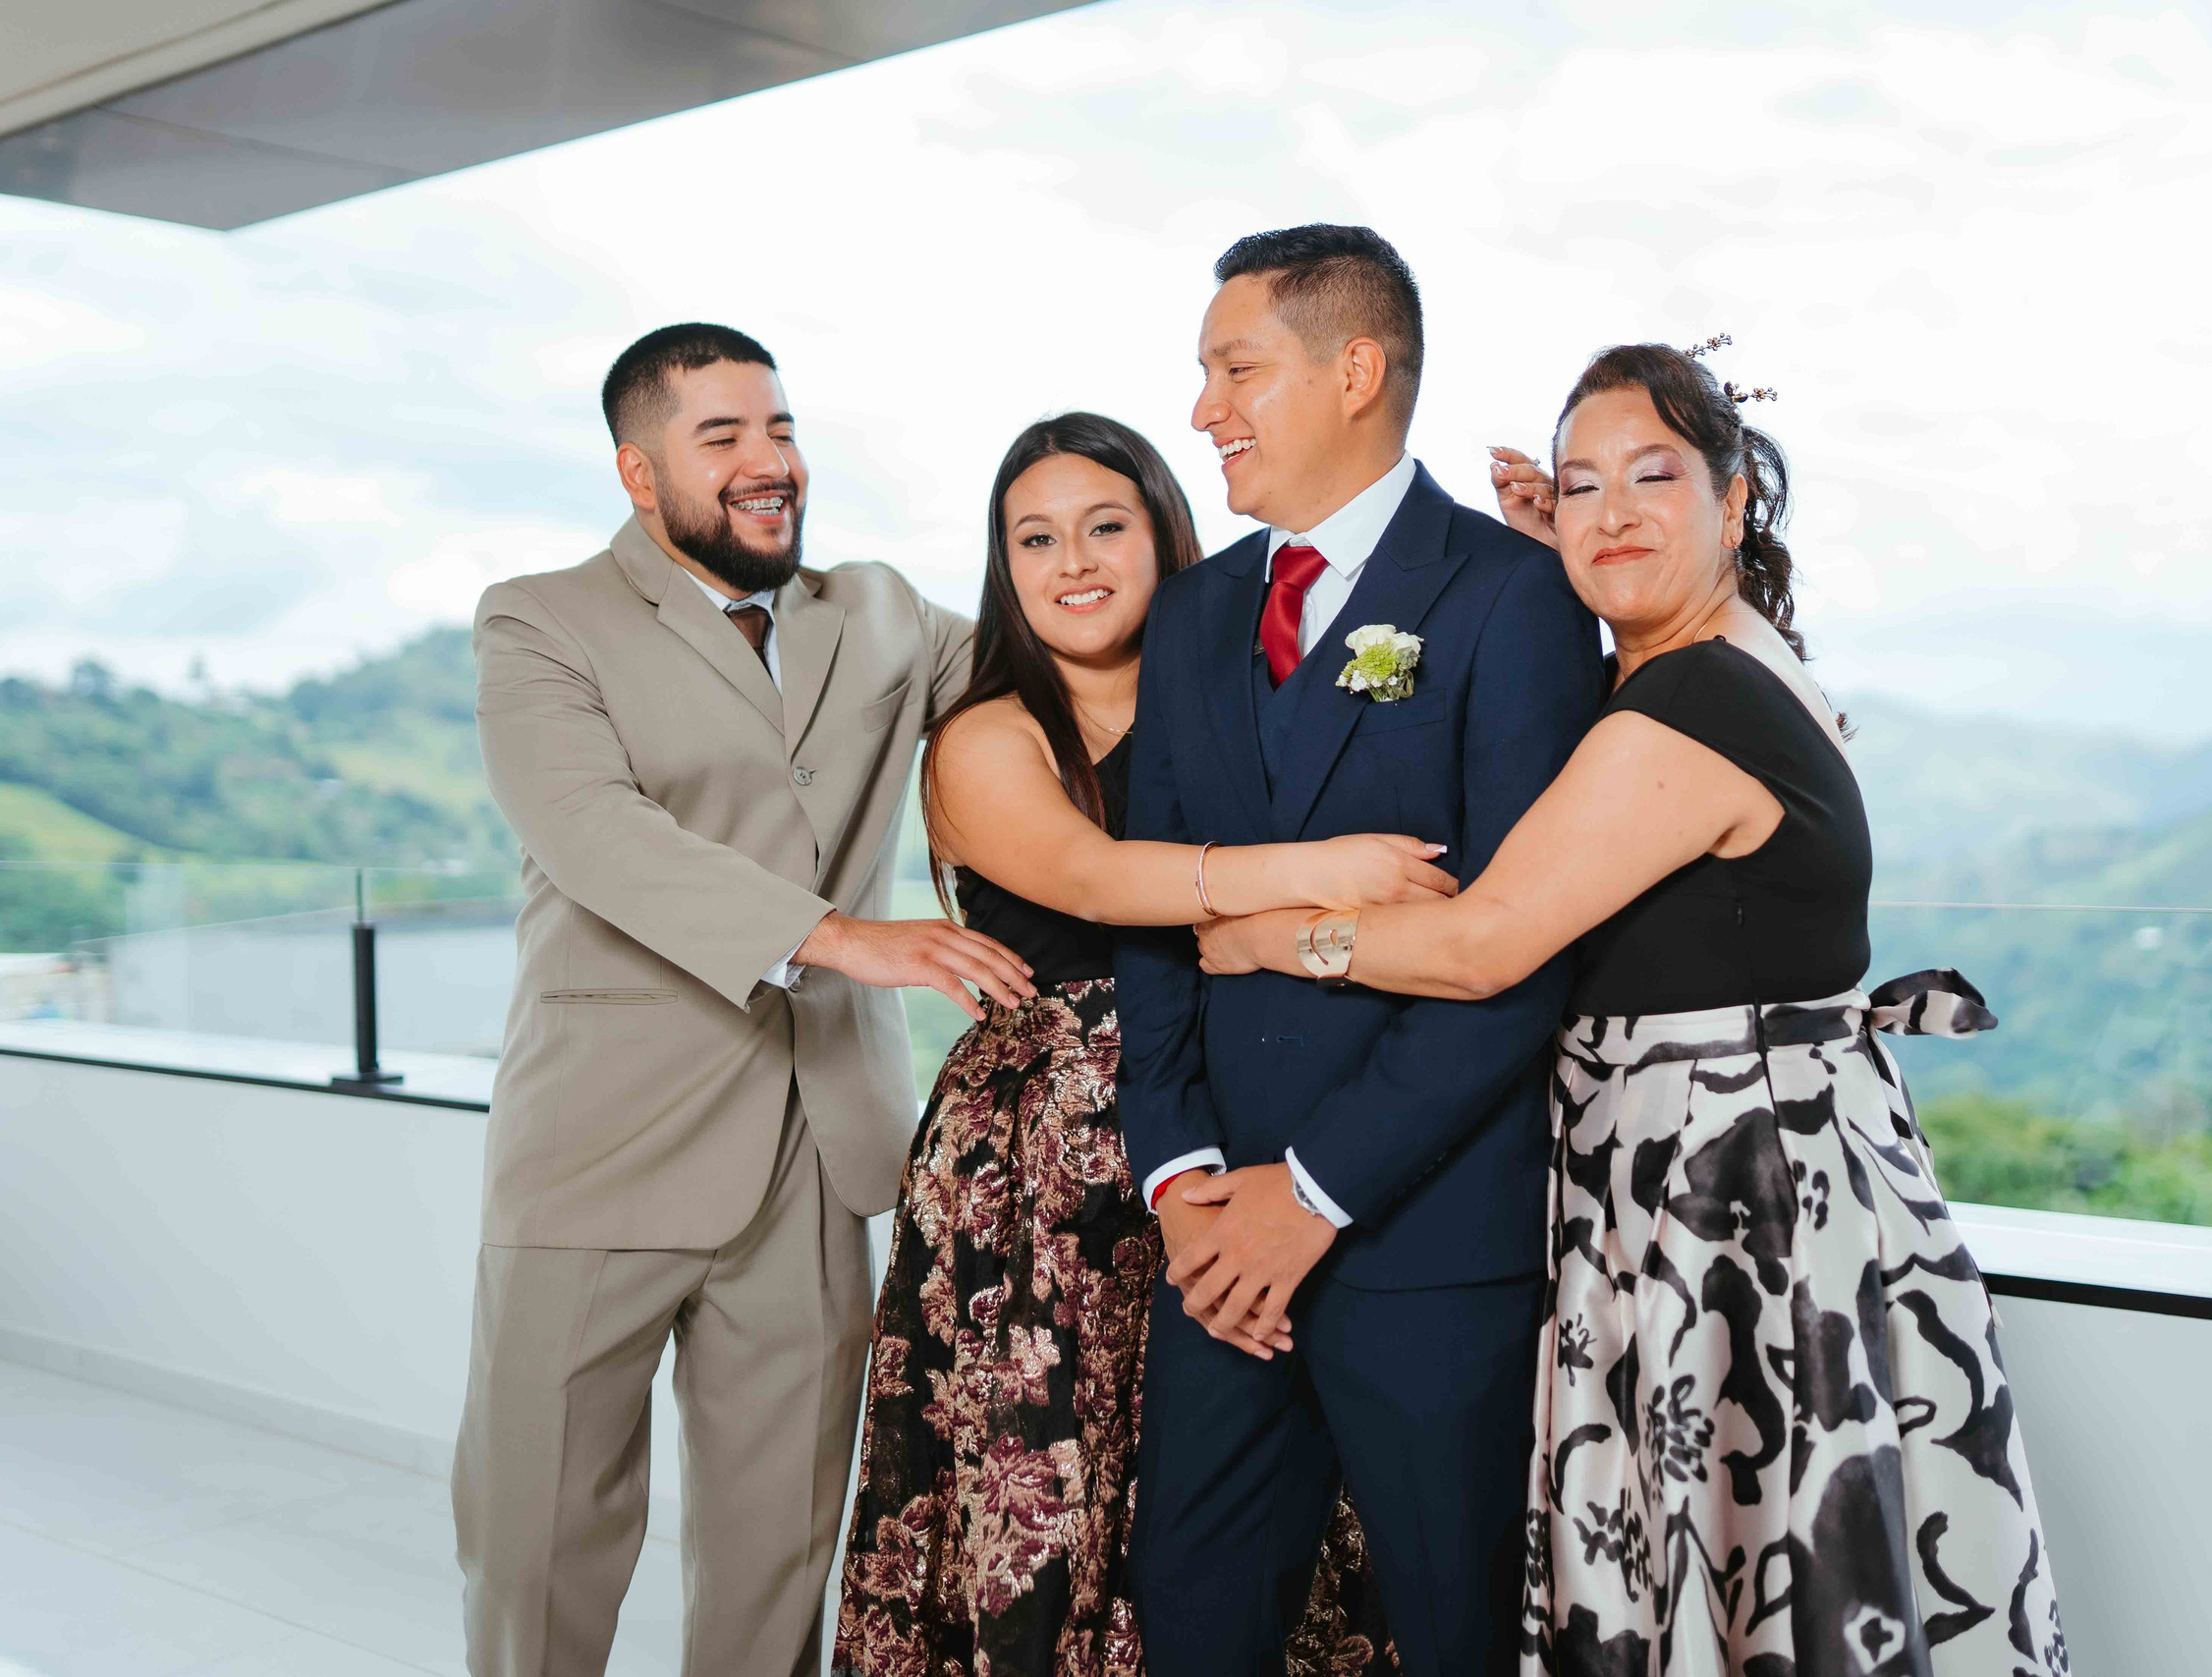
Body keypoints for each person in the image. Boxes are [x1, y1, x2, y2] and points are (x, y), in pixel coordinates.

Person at [1197, 342, 2069, 1676]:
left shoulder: (1691, 705)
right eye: (1580, 484)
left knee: (1753, 1561)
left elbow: (1486, 943)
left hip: (1729, 1204)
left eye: (1654, 477)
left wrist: (1280, 931)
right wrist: (1585, 560)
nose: (1610, 509)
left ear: (1736, 502)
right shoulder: (1739, 656)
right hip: (1771, 1174)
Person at [455, 323, 1035, 1677]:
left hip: (817, 1161)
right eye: (722, 437)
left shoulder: (880, 612)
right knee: (537, 1545)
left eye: (778, 428)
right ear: (638, 473)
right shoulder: (540, 619)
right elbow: (600, 836)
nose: (769, 461)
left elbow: (1069, 652)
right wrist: (845, 935)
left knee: (777, 1556)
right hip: (598, 1152)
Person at [833, 412, 1448, 1674]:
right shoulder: (988, 735)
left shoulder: (1244, 697)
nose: (1074, 561)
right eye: (1035, 538)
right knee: (1047, 1497)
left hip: (1231, 1141)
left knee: (1235, 1524)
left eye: (1105, 525)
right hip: (1038, 1193)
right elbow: (1099, 879)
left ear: (1168, 534)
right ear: (1002, 568)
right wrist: (1317, 870)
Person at [1115, 226, 1605, 1675]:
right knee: (1192, 1602)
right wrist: (1185, 1174)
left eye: (1235, 368)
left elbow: (1518, 950)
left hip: (1420, 1236)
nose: (1204, 410)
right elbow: (1157, 906)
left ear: (1355, 369)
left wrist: (1315, 1193)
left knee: (1454, 1631)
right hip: (1217, 1251)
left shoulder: (1513, 597)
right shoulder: (1198, 610)